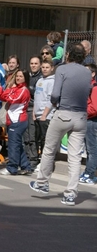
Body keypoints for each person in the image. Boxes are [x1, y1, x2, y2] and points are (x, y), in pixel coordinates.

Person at [29, 43, 91, 206]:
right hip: (81, 116)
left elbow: (55, 94)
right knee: (75, 157)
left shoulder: (62, 69)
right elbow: (88, 91)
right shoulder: (86, 72)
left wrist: (56, 103)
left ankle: (42, 183)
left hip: (64, 112)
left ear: (68, 54)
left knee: (49, 149)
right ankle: (70, 194)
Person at [0, 69, 32, 175]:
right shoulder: (15, 88)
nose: (18, 78)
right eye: (17, 76)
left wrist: (5, 91)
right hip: (12, 120)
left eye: (21, 76)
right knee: (16, 145)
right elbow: (1, 96)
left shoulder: (24, 90)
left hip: (18, 121)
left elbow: (12, 99)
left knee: (13, 145)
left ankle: (12, 167)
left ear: (25, 78)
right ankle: (25, 166)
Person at [33, 59, 55, 167]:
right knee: (36, 139)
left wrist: (44, 115)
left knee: (44, 140)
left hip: (45, 116)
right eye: (43, 67)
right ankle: (37, 159)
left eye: (47, 67)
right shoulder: (40, 80)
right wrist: (34, 112)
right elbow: (36, 97)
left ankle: (45, 163)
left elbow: (51, 99)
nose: (45, 69)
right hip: (37, 114)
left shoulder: (52, 81)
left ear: (52, 68)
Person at [79, 63, 97, 184]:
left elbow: (94, 108)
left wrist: (83, 112)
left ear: (93, 74)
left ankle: (89, 174)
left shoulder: (94, 88)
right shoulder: (86, 86)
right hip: (87, 120)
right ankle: (88, 172)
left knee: (92, 149)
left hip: (91, 121)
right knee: (89, 149)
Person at [24, 55, 43, 170]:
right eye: (32, 63)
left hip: (33, 110)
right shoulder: (28, 76)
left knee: (33, 137)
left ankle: (33, 159)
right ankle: (26, 157)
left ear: (40, 65)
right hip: (25, 109)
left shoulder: (41, 78)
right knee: (25, 136)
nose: (33, 66)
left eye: (36, 63)